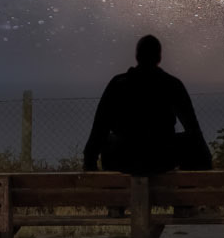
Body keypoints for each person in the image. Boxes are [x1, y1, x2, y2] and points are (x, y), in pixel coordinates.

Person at [82, 34, 213, 175]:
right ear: (159, 58)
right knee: (191, 141)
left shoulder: (118, 84)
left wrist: (89, 164)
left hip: (124, 160)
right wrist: (207, 162)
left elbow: (99, 128)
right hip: (161, 160)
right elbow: (192, 128)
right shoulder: (172, 84)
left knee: (106, 139)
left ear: (137, 56)